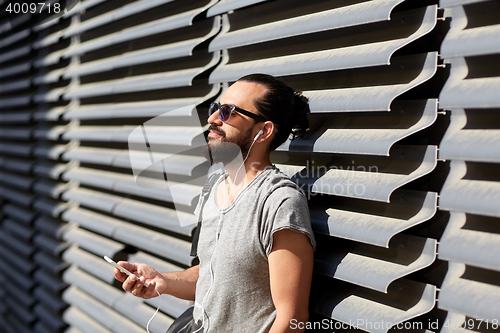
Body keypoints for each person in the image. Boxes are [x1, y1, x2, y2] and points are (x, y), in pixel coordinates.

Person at [114, 74, 316, 333]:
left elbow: (292, 319)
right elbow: (211, 275)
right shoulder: (214, 188)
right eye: (215, 109)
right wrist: (161, 280)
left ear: (263, 131)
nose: (212, 119)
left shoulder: (279, 202)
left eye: (227, 112)